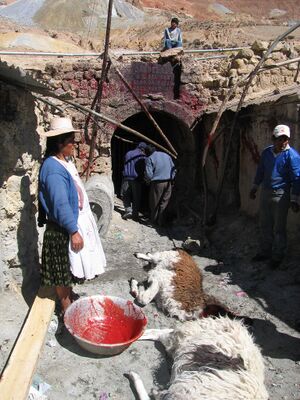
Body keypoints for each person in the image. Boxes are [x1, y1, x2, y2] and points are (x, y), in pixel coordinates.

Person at [38, 117, 106, 313]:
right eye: (71, 142)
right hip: (61, 228)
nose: (74, 146)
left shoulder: (64, 161)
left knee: (67, 269)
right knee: (61, 272)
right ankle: (65, 306)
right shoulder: (53, 169)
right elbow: (60, 203)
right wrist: (73, 231)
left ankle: (70, 296)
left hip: (66, 226)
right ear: (60, 143)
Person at [249, 124, 300, 269]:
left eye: (285, 139)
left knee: (279, 228)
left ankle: (277, 256)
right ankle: (265, 252)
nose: (283, 142)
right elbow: (261, 171)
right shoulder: (266, 153)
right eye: (280, 139)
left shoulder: (292, 156)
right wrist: (254, 187)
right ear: (273, 138)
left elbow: (297, 178)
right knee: (265, 224)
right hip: (266, 192)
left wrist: (294, 199)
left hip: (281, 195)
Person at [145, 145, 176, 226]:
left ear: (148, 152)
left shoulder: (150, 158)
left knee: (154, 203)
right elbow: (174, 169)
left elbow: (149, 174)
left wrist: (149, 181)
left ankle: (153, 221)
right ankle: (161, 221)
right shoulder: (167, 155)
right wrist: (172, 178)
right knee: (164, 202)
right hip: (168, 182)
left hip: (157, 183)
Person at [122, 142, 147, 221]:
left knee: (125, 194)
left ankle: (128, 209)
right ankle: (135, 214)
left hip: (126, 177)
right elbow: (144, 168)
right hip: (136, 179)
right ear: (143, 149)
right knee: (136, 197)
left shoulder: (128, 153)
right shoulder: (142, 156)